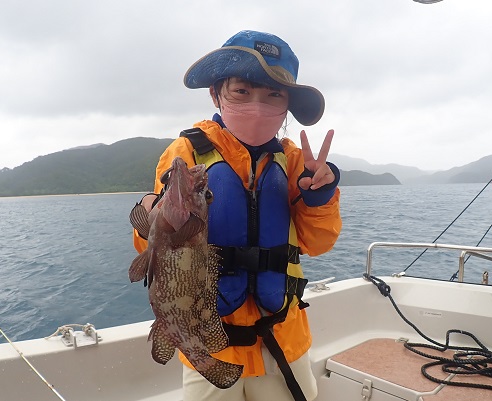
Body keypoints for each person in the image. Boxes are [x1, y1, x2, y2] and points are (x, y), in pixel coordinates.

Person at [133, 30, 341, 401]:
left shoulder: (295, 161)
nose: (257, 107)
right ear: (216, 94)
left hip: (283, 338)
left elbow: (319, 243)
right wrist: (149, 219)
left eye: (273, 95)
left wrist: (319, 198)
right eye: (242, 91)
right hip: (206, 337)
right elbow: (152, 250)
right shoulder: (186, 151)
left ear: (287, 105)